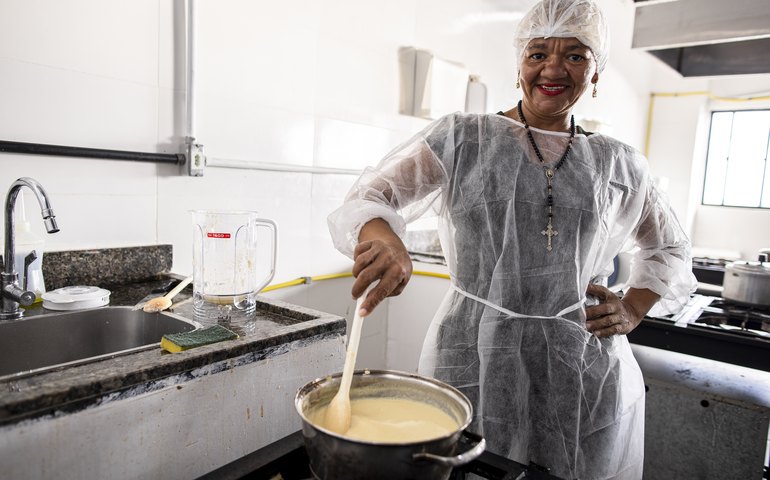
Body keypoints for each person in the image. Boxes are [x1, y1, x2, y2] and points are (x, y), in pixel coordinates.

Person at [327, 0, 696, 478]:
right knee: (470, 469)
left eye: (576, 56)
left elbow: (670, 247)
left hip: (581, 369)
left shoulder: (619, 164)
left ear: (597, 71)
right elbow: (370, 195)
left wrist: (632, 308)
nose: (554, 69)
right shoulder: (463, 139)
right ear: (519, 62)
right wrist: (387, 239)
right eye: (538, 53)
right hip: (473, 355)